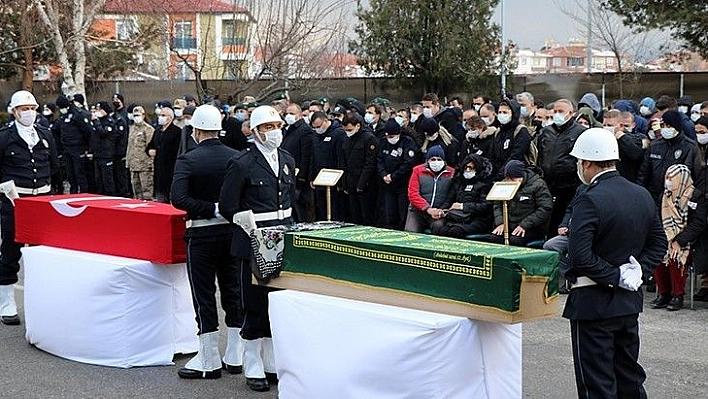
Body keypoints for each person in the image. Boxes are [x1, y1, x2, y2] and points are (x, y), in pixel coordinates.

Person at [563, 128, 666, 399]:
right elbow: (659, 244)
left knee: (597, 383)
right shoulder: (641, 193)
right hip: (628, 302)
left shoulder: (589, 197)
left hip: (593, 302)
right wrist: (638, 270)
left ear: (586, 163)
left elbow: (579, 256)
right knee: (628, 376)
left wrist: (615, 275)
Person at [219, 105, 295, 392]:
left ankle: (272, 360)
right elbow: (228, 204)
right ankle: (252, 361)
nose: (274, 132)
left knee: (276, 303)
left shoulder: (286, 158)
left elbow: (290, 201)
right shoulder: (242, 163)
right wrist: (240, 218)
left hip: (281, 238)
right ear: (255, 131)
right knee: (253, 303)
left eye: (277, 126)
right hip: (253, 241)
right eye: (267, 127)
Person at [171, 105, 244, 380]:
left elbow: (178, 198)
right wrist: (222, 208)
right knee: (233, 292)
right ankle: (235, 354)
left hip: (201, 235)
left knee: (204, 296)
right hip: (231, 232)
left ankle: (209, 358)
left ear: (196, 130)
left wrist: (209, 208)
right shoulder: (236, 157)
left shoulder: (188, 160)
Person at [0, 90, 59, 325]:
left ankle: (41, 300)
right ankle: (6, 302)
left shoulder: (45, 134)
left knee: (40, 252)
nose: (29, 113)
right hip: (14, 200)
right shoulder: (5, 137)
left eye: (32, 109)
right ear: (14, 112)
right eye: (24, 109)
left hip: (41, 201)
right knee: (11, 250)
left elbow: (54, 165)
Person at [650, 164, 703, 311]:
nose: (667, 181)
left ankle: (677, 295)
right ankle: (664, 293)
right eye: (666, 177)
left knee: (675, 256)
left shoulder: (695, 196)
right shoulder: (664, 196)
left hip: (689, 243)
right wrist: (666, 240)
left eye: (671, 178)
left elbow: (698, 224)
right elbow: (658, 221)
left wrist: (679, 241)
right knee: (659, 254)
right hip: (667, 238)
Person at [536, 98, 586, 236]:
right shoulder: (546, 132)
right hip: (547, 185)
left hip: (569, 187)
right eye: (555, 111)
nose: (557, 114)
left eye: (561, 111)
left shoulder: (580, 132)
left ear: (571, 113)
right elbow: (540, 155)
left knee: (562, 221)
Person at [489, 160, 552, 246]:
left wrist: (524, 225)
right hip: (509, 224)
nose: (510, 181)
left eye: (513, 178)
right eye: (508, 178)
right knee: (495, 238)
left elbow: (545, 208)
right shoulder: (504, 183)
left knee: (515, 241)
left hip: (531, 226)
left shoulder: (538, 184)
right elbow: (497, 204)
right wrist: (500, 222)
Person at [430, 153, 494, 238]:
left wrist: (462, 206)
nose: (467, 170)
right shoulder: (459, 182)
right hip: (457, 217)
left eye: (470, 168)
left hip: (478, 219)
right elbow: (449, 200)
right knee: (438, 228)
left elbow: (485, 206)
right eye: (466, 167)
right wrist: (441, 210)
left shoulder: (485, 184)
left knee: (456, 231)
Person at [377, 118, 418, 230]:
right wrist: (383, 174)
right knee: (389, 212)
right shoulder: (383, 142)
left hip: (402, 183)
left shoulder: (407, 142)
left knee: (402, 212)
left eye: (392, 136)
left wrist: (393, 176)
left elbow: (408, 163)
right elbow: (379, 159)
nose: (390, 139)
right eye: (388, 136)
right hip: (388, 184)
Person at [339, 111, 378, 226]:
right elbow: (344, 161)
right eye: (345, 130)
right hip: (350, 182)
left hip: (365, 185)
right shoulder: (347, 138)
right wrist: (344, 183)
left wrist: (361, 184)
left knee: (367, 216)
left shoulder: (369, 138)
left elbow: (369, 163)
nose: (348, 133)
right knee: (354, 216)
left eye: (350, 130)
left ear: (358, 126)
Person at [404, 145, 454, 233]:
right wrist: (428, 209)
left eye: (439, 159)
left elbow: (452, 195)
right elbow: (413, 194)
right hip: (417, 211)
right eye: (433, 159)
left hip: (440, 212)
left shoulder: (452, 173)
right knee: (410, 231)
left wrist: (441, 210)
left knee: (439, 227)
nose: (436, 162)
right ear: (427, 160)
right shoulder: (417, 170)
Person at [309, 111, 346, 221]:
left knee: (334, 210)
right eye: (314, 127)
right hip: (320, 177)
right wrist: (312, 176)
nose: (317, 129)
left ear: (326, 121)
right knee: (321, 209)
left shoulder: (338, 133)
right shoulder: (316, 135)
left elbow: (340, 158)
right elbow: (313, 156)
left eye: (319, 126)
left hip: (333, 177)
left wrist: (341, 182)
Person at [282, 103, 314, 222]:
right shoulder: (288, 130)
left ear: (300, 115)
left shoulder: (305, 130)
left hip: (299, 178)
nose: (288, 116)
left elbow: (306, 155)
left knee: (301, 209)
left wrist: (302, 176)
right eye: (287, 113)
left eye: (292, 113)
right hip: (288, 174)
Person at [55, 94, 92, 193]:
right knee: (70, 174)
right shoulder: (64, 115)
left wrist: (87, 148)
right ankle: (73, 192)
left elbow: (88, 131)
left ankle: (84, 193)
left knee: (80, 174)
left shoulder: (78, 114)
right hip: (67, 149)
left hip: (78, 148)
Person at [146, 106, 181, 202]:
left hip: (170, 169)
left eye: (163, 115)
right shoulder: (157, 131)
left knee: (169, 196)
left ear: (170, 117)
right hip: (158, 169)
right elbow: (150, 145)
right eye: (160, 115)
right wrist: (149, 151)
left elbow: (178, 151)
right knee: (159, 197)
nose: (160, 117)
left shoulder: (177, 132)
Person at [126, 106, 154, 200]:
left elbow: (151, 147)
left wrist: (151, 164)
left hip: (144, 165)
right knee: (136, 191)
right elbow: (129, 146)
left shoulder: (148, 129)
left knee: (146, 190)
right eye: (134, 115)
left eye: (138, 115)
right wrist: (128, 162)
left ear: (143, 115)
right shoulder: (131, 128)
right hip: (133, 165)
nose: (136, 117)